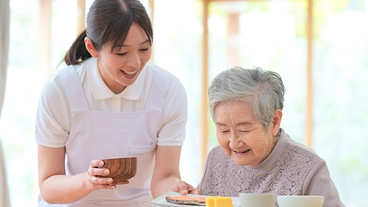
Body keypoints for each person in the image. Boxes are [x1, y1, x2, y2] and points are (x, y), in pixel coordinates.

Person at [35, 0, 198, 206]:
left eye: (144, 48)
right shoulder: (60, 90)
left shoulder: (168, 90)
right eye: (121, 52)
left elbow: (165, 177)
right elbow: (49, 185)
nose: (135, 63)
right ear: (92, 48)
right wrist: (87, 181)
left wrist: (176, 189)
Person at [197, 67, 345, 207]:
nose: (234, 143)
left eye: (244, 129)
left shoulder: (308, 166)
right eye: (223, 130)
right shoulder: (216, 159)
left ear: (274, 122)